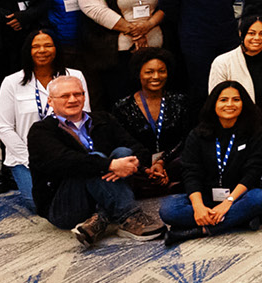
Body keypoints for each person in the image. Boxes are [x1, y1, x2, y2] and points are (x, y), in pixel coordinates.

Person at [26, 75, 164, 244]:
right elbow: (65, 161)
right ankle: (130, 216)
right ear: (50, 101)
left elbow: (137, 147)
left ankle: (101, 218)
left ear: (84, 96)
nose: (73, 99)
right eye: (65, 96)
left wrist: (135, 162)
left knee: (123, 152)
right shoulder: (41, 131)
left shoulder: (103, 119)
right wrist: (110, 165)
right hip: (64, 206)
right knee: (93, 159)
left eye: (78, 94)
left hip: (103, 193)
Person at [158, 80, 262, 244]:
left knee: (259, 198)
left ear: (243, 104)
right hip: (206, 197)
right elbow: (191, 173)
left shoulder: (254, 132)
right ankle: (240, 220)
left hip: (238, 197)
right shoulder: (197, 134)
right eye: (223, 100)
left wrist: (228, 202)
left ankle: (201, 230)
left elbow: (253, 172)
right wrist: (198, 207)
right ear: (214, 104)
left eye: (236, 99)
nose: (230, 104)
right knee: (168, 209)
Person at [0, 30, 87, 210]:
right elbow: (4, 128)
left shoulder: (75, 76)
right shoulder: (12, 82)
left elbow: (85, 117)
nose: (42, 50)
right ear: (27, 51)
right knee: (37, 203)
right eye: (35, 46)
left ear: (56, 48)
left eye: (48, 45)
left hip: (66, 153)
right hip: (26, 157)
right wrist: (30, 159)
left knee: (72, 197)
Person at [206, 17, 262, 160]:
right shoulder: (222, 63)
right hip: (234, 142)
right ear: (241, 33)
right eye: (251, 33)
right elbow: (219, 106)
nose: (257, 38)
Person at [110, 48, 192, 196]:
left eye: (161, 71)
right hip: (139, 165)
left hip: (172, 162)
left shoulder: (180, 101)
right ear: (138, 73)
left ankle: (166, 180)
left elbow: (185, 138)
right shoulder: (123, 107)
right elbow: (123, 142)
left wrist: (162, 161)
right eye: (149, 72)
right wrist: (145, 168)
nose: (156, 76)